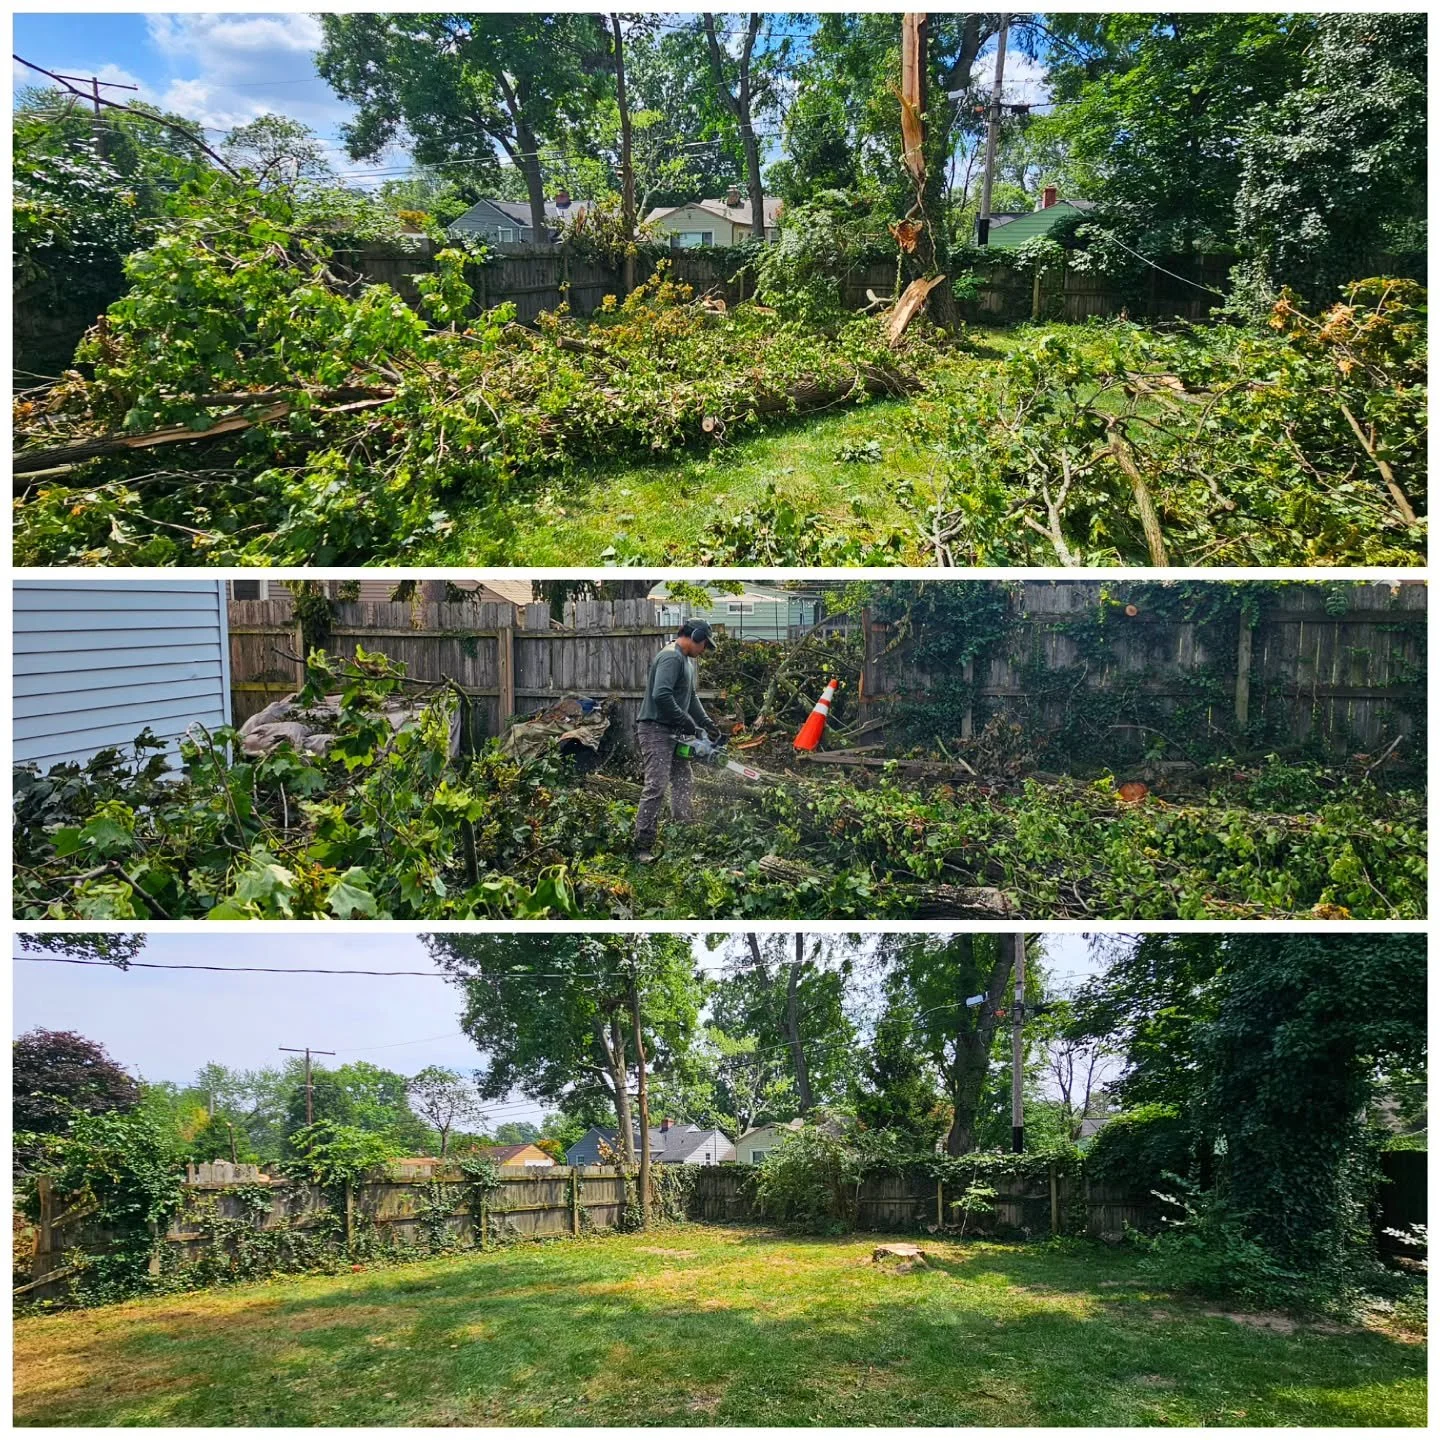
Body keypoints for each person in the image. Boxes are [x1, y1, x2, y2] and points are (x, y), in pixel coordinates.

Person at [633, 619, 720, 861]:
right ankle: (643, 845)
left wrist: (706, 723)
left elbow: (690, 697)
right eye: (704, 644)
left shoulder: (686, 662)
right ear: (696, 636)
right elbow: (661, 694)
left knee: (683, 780)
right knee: (656, 785)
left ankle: (683, 831)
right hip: (655, 730)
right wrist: (686, 721)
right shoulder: (671, 657)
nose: (703, 650)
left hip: (675, 730)